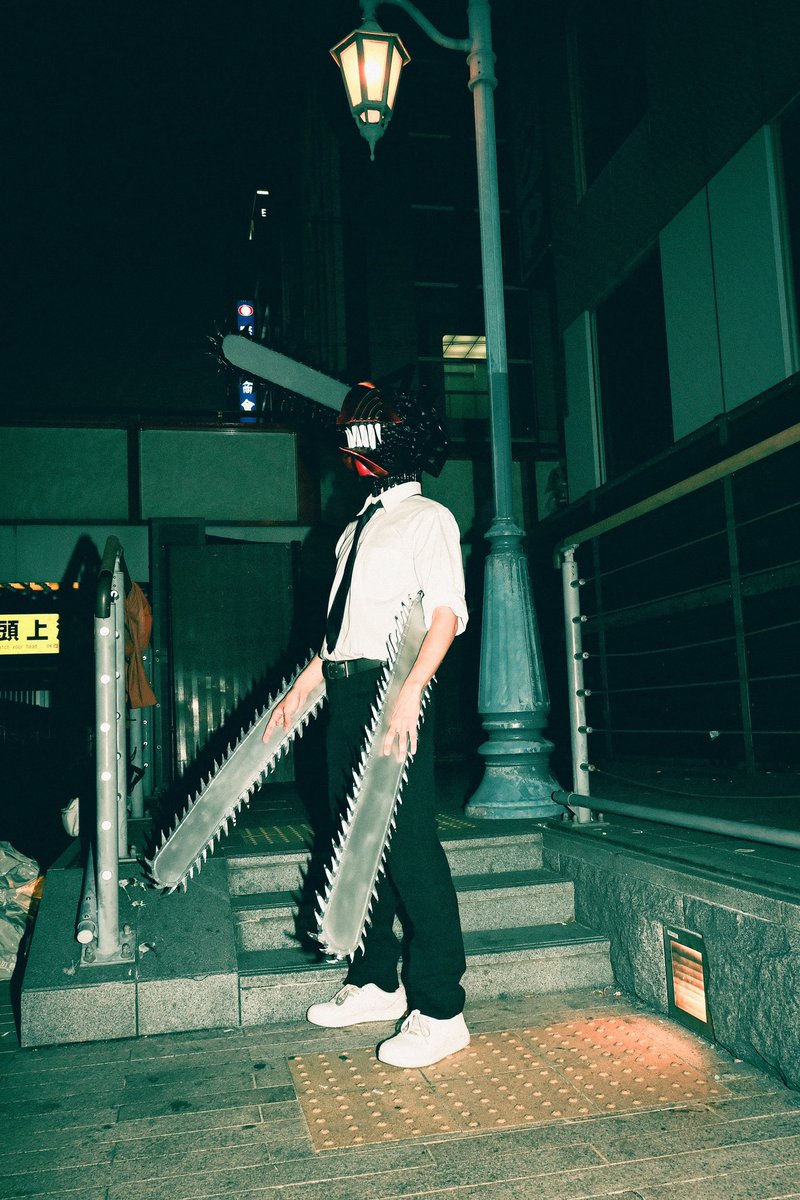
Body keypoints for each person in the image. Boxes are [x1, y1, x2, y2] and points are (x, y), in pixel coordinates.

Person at [263, 380, 470, 1068]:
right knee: (353, 838)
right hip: (345, 690)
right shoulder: (354, 528)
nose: (351, 450)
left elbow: (445, 614)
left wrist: (412, 692)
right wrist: (303, 687)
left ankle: (441, 1009)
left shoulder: (428, 518)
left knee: (407, 845)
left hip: (394, 688)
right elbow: (341, 630)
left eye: (363, 436)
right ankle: (377, 979)